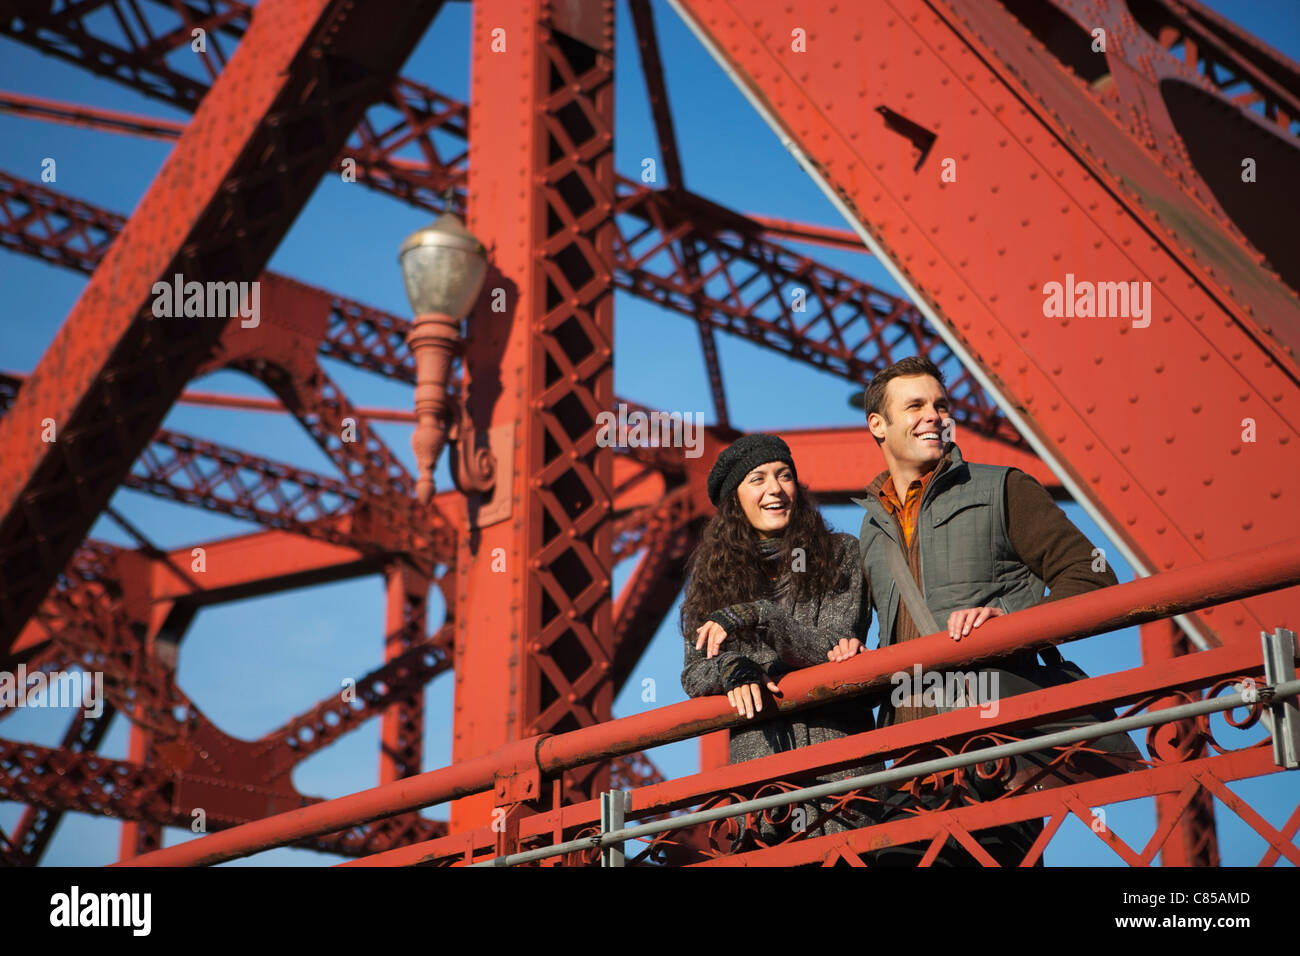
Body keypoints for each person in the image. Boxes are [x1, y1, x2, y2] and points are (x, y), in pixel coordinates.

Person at [852, 355, 1139, 866]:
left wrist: (1011, 622)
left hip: (997, 751)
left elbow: (1092, 578)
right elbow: (889, 640)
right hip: (908, 761)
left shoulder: (1003, 487)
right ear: (878, 424)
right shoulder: (872, 532)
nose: (933, 416)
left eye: (940, 405)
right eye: (914, 405)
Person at [680, 433, 878, 843]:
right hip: (761, 786)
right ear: (735, 499)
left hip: (842, 779)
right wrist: (732, 667)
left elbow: (837, 641)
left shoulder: (840, 553)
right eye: (758, 479)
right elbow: (695, 674)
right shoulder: (711, 580)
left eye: (784, 475)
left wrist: (759, 615)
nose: (775, 489)